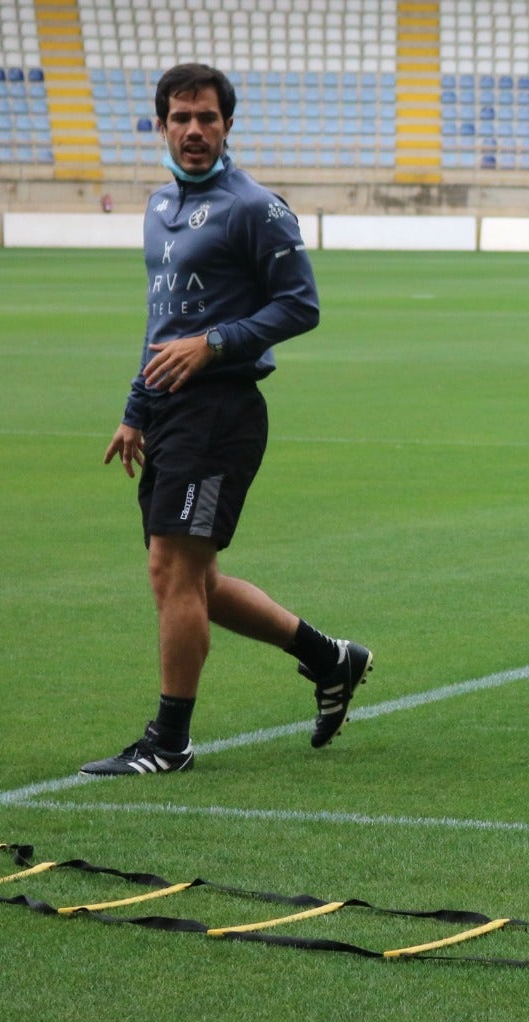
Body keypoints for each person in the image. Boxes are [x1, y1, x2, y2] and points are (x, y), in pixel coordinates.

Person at [81, 63, 372, 777]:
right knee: (190, 581)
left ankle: (169, 742)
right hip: (171, 411)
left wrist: (214, 344)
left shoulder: (255, 207)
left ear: (228, 126)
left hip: (221, 411)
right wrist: (135, 408)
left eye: (207, 118)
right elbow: (164, 321)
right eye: (180, 118)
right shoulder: (157, 209)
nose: (193, 131)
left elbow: (300, 305)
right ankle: (330, 657)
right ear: (161, 126)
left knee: (173, 569)